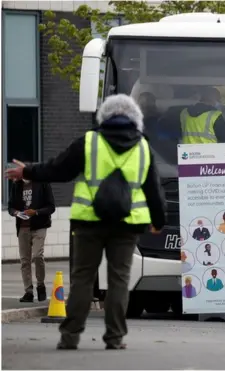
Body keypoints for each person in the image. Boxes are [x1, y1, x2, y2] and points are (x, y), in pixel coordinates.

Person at [6, 94, 166, 350]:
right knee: (119, 280)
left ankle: (70, 337)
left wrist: (27, 171)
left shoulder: (89, 142)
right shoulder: (143, 147)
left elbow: (59, 169)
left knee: (82, 279)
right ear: (135, 118)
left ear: (103, 116)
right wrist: (158, 221)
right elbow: (153, 190)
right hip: (127, 224)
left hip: (89, 222)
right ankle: (114, 338)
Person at [8, 178, 55, 302]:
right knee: (25, 261)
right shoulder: (16, 185)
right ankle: (28, 292)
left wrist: (36, 212)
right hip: (23, 228)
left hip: (39, 226)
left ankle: (41, 285)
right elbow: (10, 207)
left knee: (38, 255)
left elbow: (51, 207)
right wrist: (16, 213)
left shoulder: (43, 183)